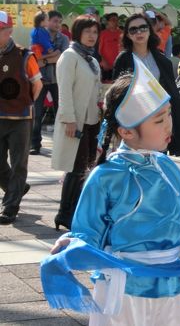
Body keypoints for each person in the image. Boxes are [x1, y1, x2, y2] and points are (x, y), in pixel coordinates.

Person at [49, 62, 180, 325]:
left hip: (171, 284)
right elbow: (88, 232)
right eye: (158, 120)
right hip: (124, 289)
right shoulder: (106, 176)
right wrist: (74, 242)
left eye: (168, 115)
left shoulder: (166, 167)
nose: (168, 125)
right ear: (126, 131)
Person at [112, 13, 180, 156]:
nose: (139, 32)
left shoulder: (162, 60)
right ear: (128, 35)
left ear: (150, 30)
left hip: (157, 118)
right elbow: (116, 95)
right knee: (134, 158)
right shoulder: (123, 59)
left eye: (143, 28)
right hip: (133, 120)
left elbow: (171, 92)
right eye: (133, 30)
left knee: (156, 158)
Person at [50, 15, 101, 230]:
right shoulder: (69, 56)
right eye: (87, 31)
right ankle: (64, 213)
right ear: (77, 33)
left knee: (87, 168)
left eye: (95, 32)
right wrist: (69, 120)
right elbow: (65, 92)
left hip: (92, 121)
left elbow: (96, 90)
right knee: (75, 168)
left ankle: (75, 212)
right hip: (75, 122)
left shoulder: (91, 59)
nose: (92, 36)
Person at [0, 11, 42, 224]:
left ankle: (10, 207)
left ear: (9, 31)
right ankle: (15, 188)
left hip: (20, 118)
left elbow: (37, 84)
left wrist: (26, 104)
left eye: (1, 31)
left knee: (19, 164)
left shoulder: (24, 55)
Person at [31, 10, 69, 155]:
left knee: (61, 112)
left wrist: (43, 60)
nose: (58, 24)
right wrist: (50, 58)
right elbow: (34, 58)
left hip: (58, 80)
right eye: (54, 21)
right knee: (37, 113)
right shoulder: (38, 33)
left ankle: (63, 145)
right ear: (47, 22)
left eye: (60, 22)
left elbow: (63, 59)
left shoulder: (64, 39)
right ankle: (35, 144)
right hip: (40, 80)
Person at [98, 12, 122, 82]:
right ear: (108, 22)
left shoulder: (122, 33)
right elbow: (99, 50)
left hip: (118, 67)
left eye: (117, 20)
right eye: (113, 20)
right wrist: (104, 61)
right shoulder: (103, 34)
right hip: (106, 67)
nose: (116, 22)